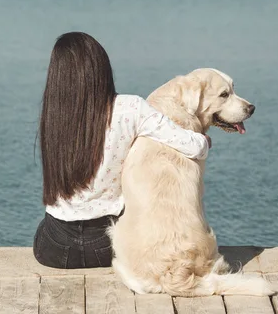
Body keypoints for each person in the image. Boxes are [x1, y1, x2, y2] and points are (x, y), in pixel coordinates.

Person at [33, 32, 211, 269]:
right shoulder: (132, 108)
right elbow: (193, 147)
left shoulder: (54, 114)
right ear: (102, 69)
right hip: (111, 243)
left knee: (43, 228)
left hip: (54, 247)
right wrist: (205, 141)